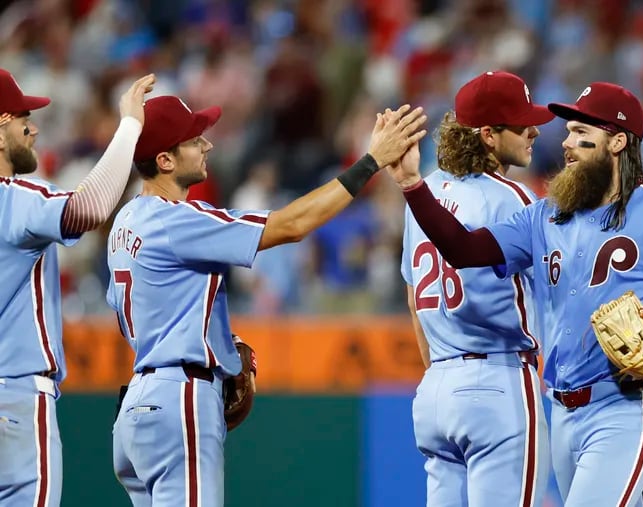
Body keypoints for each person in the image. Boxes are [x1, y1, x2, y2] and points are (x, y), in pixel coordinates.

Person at [385, 82, 643, 506]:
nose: (567, 143)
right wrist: (413, 184)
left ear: (617, 142)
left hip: (626, 407)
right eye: (568, 131)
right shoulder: (546, 212)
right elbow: (463, 249)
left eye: (582, 133)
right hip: (561, 408)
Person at [107, 95, 426, 506]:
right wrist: (371, 161)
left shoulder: (125, 222)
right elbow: (291, 225)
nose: (207, 145)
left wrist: (212, 340)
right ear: (165, 161)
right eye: (194, 139)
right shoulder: (176, 219)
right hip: (178, 397)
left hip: (137, 405)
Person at [0, 69, 155, 505]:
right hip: (15, 399)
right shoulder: (13, 196)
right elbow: (88, 208)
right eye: (20, 117)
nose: (32, 128)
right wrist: (129, 124)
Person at [400, 71, 554, 507]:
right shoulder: (514, 198)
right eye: (522, 123)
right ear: (488, 135)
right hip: (497, 379)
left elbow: (414, 298)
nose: (534, 130)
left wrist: (441, 372)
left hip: (435, 388)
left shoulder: (424, 194)